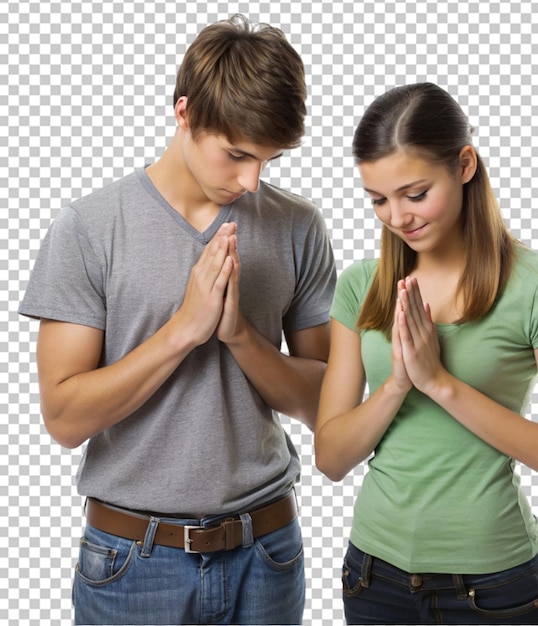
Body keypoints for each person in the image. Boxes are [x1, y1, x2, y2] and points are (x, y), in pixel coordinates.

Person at [19, 15, 336, 626]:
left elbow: (326, 400)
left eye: (267, 160)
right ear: (183, 112)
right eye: (237, 154)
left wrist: (240, 336)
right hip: (131, 562)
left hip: (266, 553)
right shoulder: (88, 227)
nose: (250, 181)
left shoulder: (298, 225)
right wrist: (183, 332)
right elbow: (63, 418)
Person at [314, 82, 538, 625]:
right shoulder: (360, 288)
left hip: (493, 586)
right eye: (378, 199)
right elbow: (331, 458)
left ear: (465, 165)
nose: (397, 216)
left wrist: (439, 381)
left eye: (415, 194)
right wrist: (396, 384)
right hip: (372, 576)